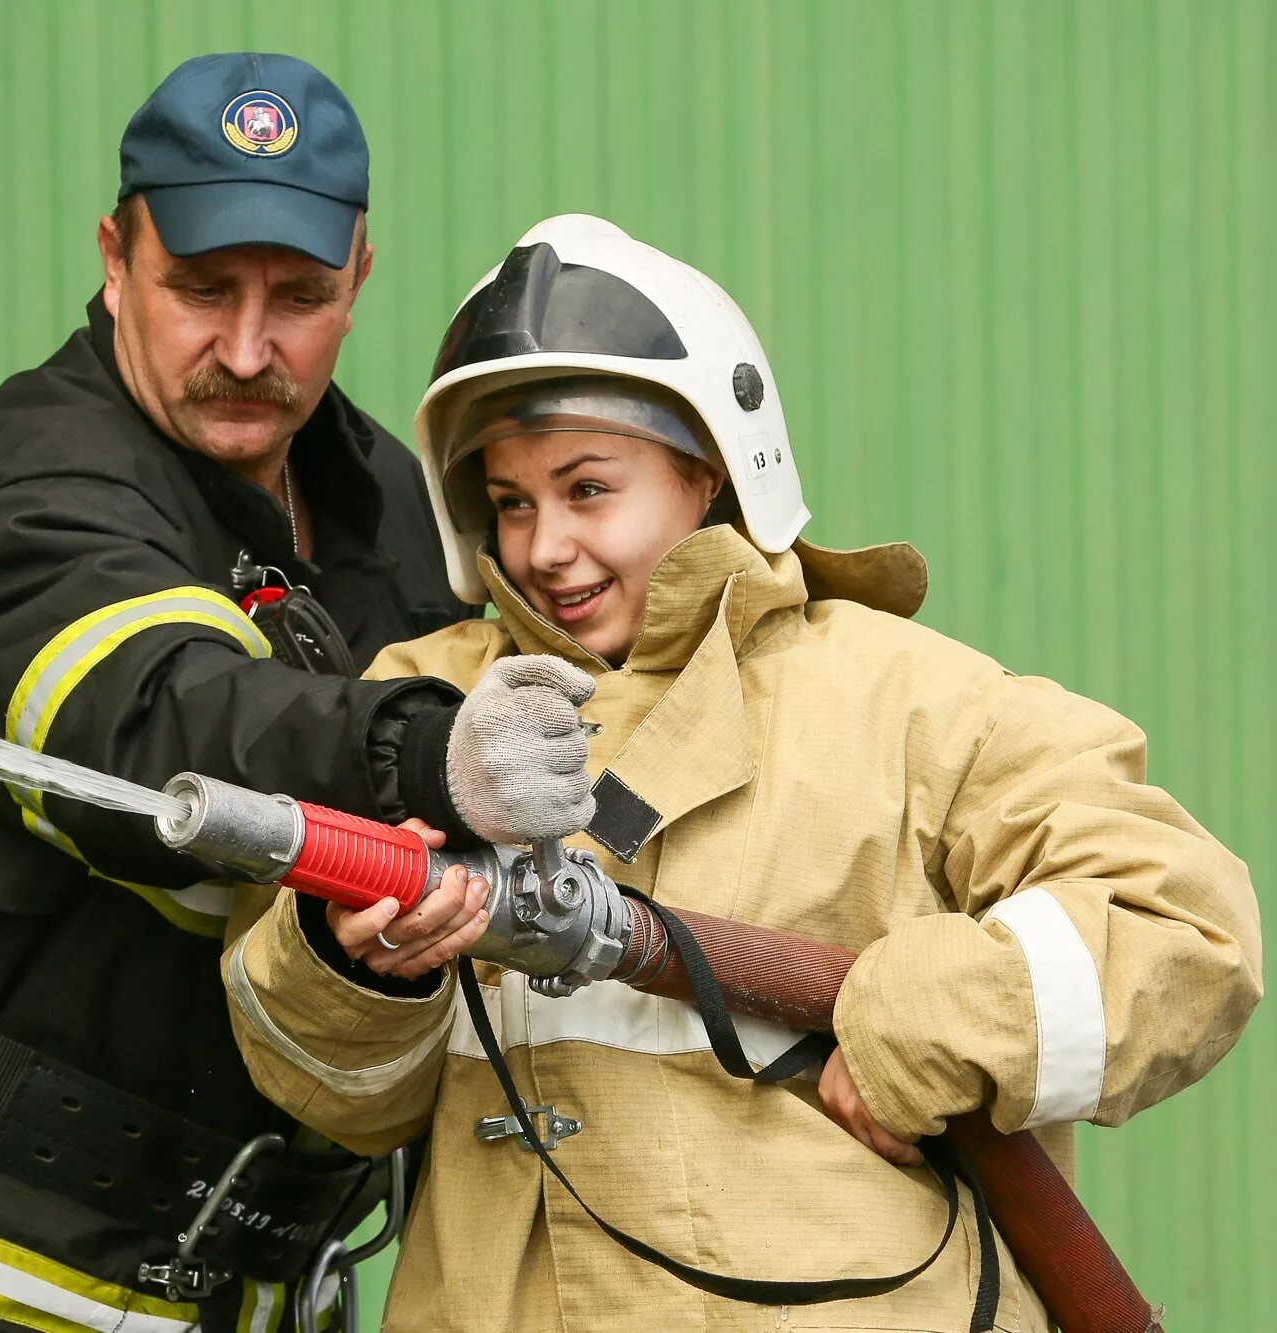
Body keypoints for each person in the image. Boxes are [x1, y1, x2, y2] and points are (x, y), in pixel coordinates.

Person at [223, 214, 1263, 1331]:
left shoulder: (902, 697)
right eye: (511, 500)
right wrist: (362, 972)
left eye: (586, 489)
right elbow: (331, 1093)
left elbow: (1180, 929)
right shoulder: (422, 708)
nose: (542, 548)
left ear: (707, 471)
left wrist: (921, 1017)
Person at [0, 58, 598, 1333]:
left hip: (232, 1275)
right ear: (115, 256)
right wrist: (428, 752)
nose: (244, 348)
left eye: (298, 298)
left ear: (360, 281)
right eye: (197, 288)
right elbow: (160, 730)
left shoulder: (383, 498)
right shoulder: (19, 487)